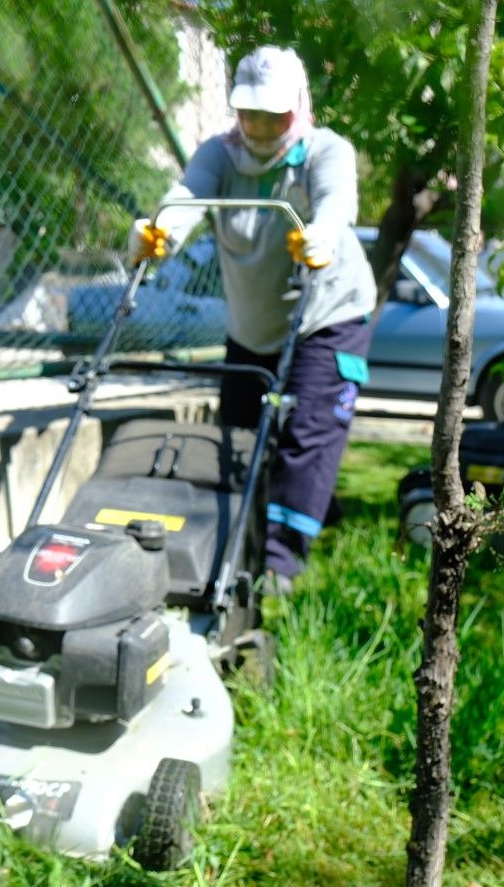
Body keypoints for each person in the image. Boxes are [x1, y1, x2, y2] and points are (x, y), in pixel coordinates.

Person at [129, 45, 376, 590]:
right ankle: (235, 536)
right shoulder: (219, 154)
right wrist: (159, 232)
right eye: (251, 113)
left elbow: (338, 202)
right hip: (253, 324)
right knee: (237, 437)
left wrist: (323, 234)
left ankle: (279, 566)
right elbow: (187, 196)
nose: (262, 126)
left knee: (310, 431)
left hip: (327, 314)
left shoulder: (323, 151)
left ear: (299, 107)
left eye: (275, 114)